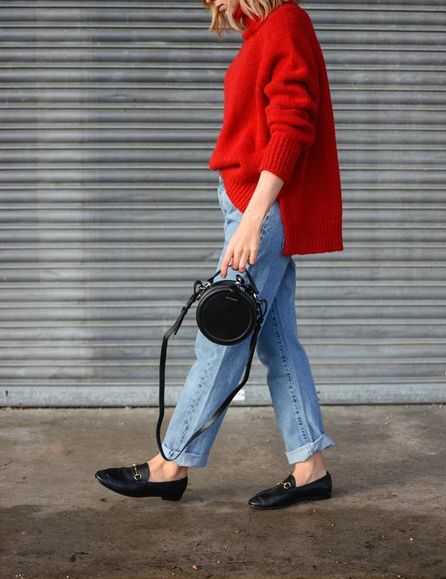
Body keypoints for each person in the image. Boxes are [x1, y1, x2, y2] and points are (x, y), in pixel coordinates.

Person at [95, 0, 343, 509]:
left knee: (222, 336)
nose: (214, 4)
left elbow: (294, 124)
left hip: (262, 210)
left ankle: (170, 464)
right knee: (277, 343)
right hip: (252, 205)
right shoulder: (261, 35)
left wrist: (252, 218)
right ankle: (310, 464)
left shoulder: (285, 22)